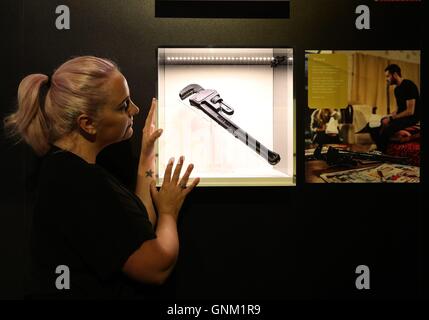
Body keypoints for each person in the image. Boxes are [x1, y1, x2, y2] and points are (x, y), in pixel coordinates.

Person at [3, 56, 200, 299]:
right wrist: (169, 211)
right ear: (87, 123)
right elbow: (156, 266)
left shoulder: (67, 169)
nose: (135, 110)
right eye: (123, 105)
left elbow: (135, 234)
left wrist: (147, 155)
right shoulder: (81, 185)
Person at [370, 64, 420, 152]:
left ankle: (382, 153)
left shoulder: (409, 85)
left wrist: (391, 118)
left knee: (387, 131)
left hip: (411, 118)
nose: (386, 79)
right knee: (375, 127)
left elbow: (410, 111)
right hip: (402, 117)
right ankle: (379, 149)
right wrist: (388, 116)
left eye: (388, 76)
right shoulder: (397, 89)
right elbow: (399, 108)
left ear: (395, 74)